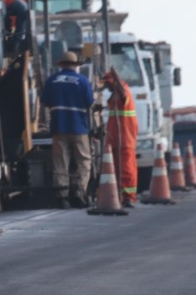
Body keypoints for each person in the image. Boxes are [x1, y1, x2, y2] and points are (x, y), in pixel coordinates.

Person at [42, 50, 95, 207]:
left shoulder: (52, 80)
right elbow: (89, 103)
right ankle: (79, 192)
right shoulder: (82, 81)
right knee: (83, 161)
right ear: (75, 66)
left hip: (59, 127)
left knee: (60, 162)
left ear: (62, 65)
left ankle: (63, 196)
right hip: (78, 127)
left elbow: (46, 101)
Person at [101, 67, 139, 207]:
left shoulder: (123, 91)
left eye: (108, 84)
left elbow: (123, 96)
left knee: (126, 169)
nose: (107, 88)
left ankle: (129, 197)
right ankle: (120, 196)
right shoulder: (116, 92)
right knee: (116, 168)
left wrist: (116, 78)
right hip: (116, 138)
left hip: (125, 138)